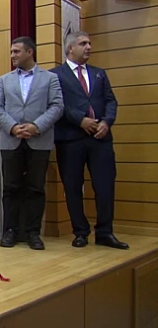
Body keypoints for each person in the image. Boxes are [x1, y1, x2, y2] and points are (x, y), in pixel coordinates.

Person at [51, 31, 129, 250]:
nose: (88, 47)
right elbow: (57, 104)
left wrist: (107, 122)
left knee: (105, 186)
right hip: (70, 140)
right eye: (83, 43)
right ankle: (80, 232)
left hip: (100, 138)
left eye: (89, 43)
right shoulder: (54, 75)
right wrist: (80, 120)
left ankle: (105, 232)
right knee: (73, 187)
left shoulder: (99, 73)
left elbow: (111, 101)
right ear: (70, 48)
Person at [0, 37, 63, 250]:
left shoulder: (50, 78)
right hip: (11, 140)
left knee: (36, 188)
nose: (12, 55)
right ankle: (10, 231)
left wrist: (36, 126)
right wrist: (13, 127)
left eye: (16, 51)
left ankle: (33, 232)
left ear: (30, 52)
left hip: (38, 139)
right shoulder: (3, 80)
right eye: (11, 51)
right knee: (10, 188)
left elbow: (57, 106)